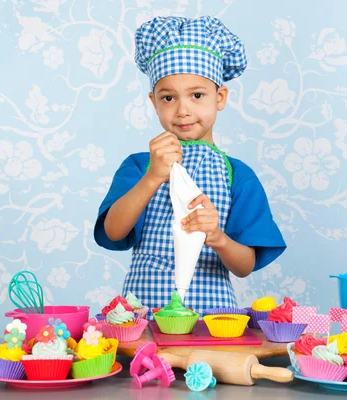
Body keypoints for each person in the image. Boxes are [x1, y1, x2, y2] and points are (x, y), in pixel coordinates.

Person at [94, 16, 286, 313]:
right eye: (168, 97)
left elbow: (244, 266)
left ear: (219, 97)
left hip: (211, 321)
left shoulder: (238, 176)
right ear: (153, 102)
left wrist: (218, 237)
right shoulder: (138, 165)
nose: (183, 110)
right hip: (145, 318)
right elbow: (114, 231)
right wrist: (152, 178)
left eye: (197, 95)